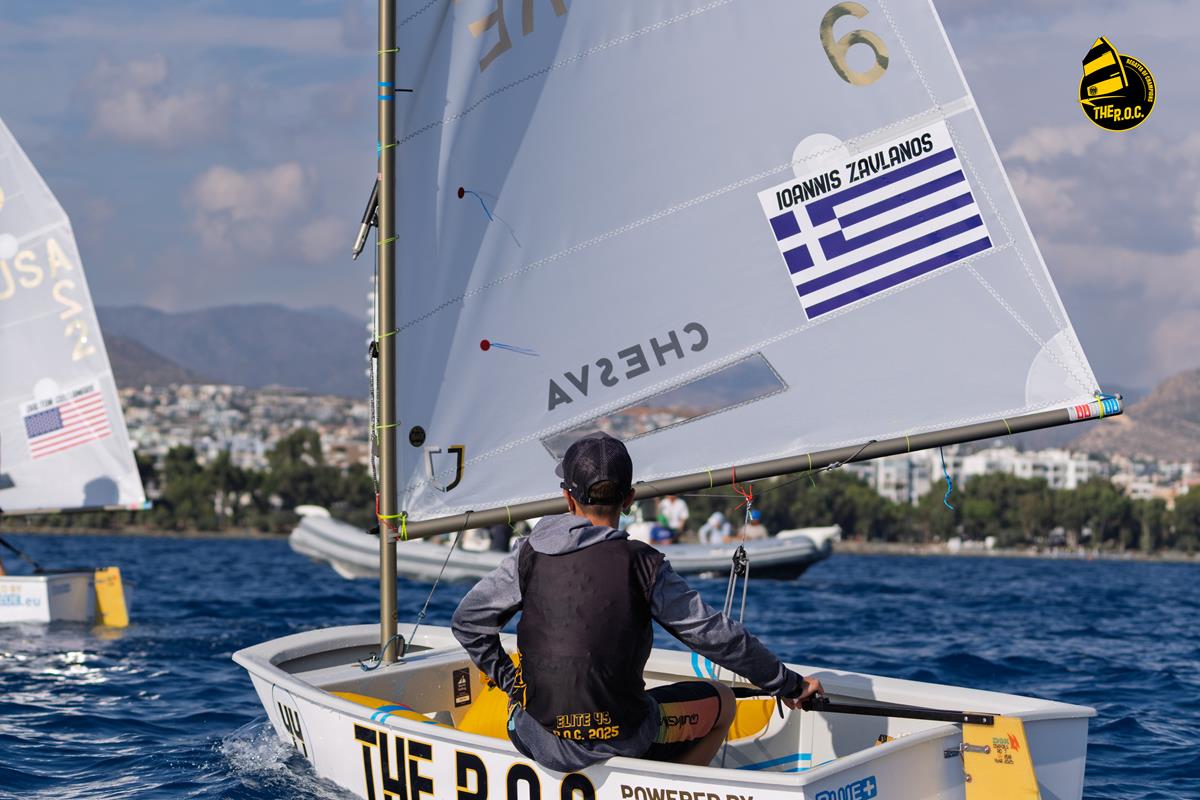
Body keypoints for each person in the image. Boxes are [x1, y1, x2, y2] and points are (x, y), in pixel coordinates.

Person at [451, 432, 823, 773]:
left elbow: (468, 623)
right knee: (724, 702)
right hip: (624, 738)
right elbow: (715, 635)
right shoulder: (645, 565)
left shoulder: (528, 554)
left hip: (536, 737)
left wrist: (511, 683)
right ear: (629, 500)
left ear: (567, 497)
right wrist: (788, 685)